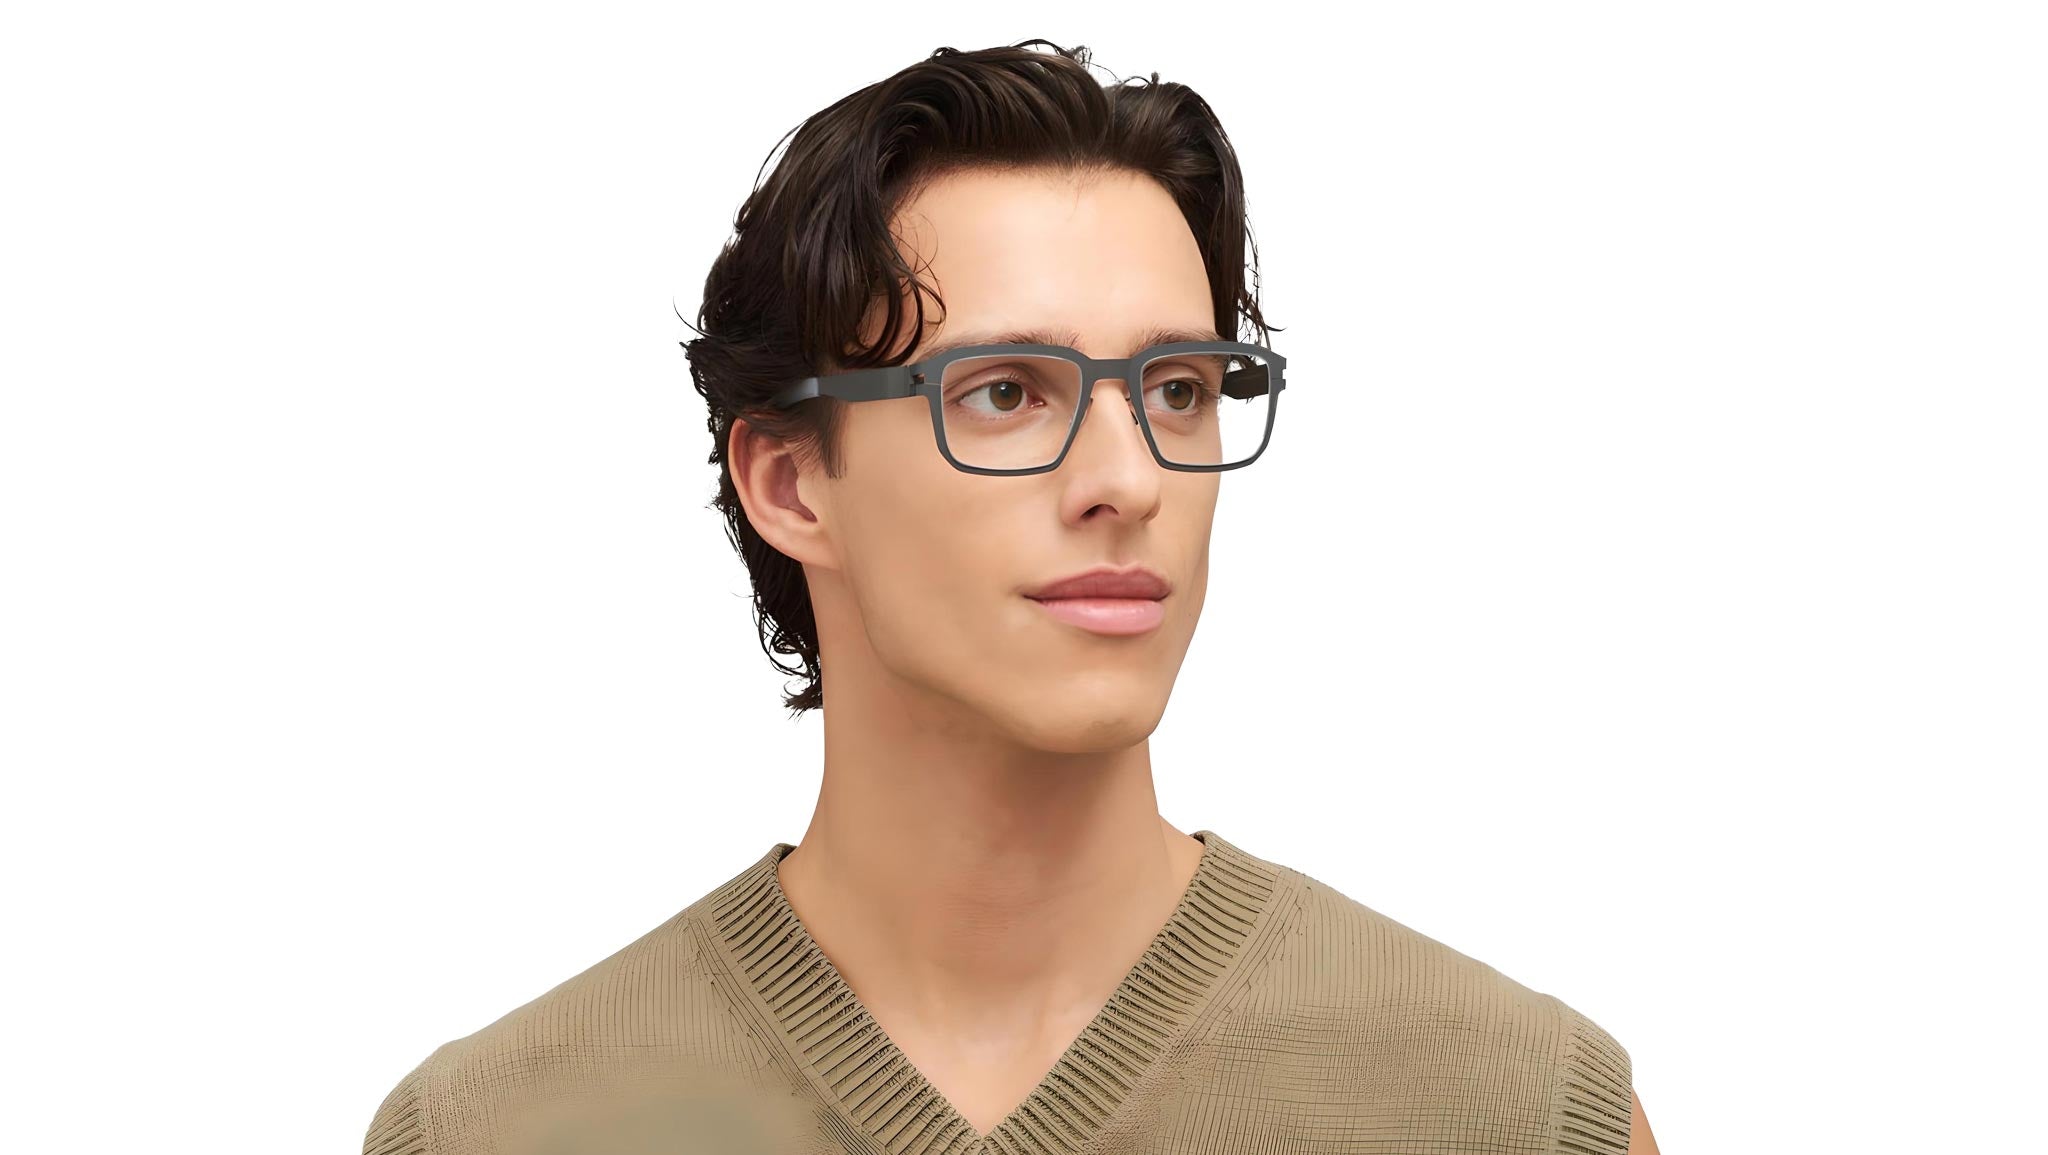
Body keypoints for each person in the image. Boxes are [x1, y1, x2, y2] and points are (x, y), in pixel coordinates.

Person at [363, 39, 1657, 1155]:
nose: (1128, 480)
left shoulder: (1513, 1109)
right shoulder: (495, 1128)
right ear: (790, 482)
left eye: (1178, 391)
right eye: (1003, 394)